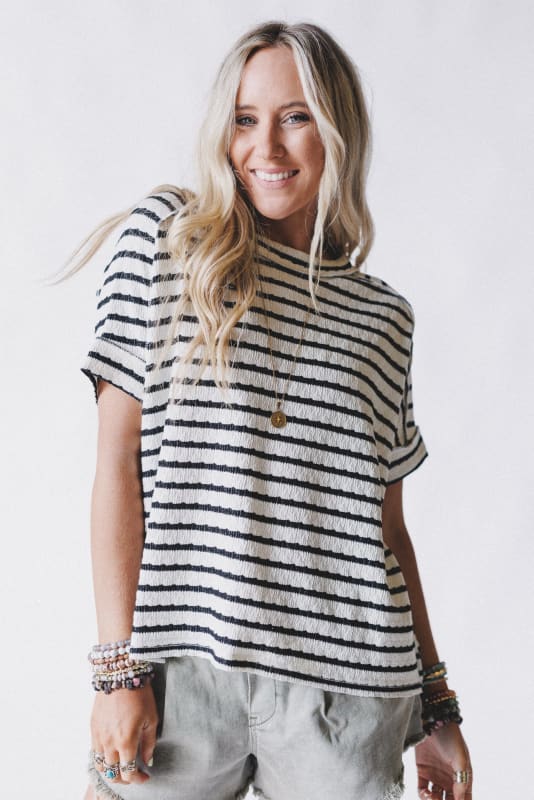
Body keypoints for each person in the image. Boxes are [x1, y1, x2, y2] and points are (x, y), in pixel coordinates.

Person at [66, 20, 472, 800]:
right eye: (245, 119)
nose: (267, 146)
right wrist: (117, 671)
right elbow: (116, 462)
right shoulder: (168, 242)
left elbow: (388, 530)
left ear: (338, 131)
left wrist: (438, 706)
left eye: (296, 117)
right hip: (180, 675)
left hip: (347, 695)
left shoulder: (383, 318)